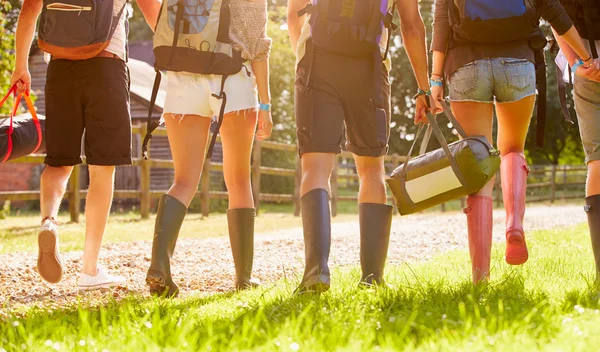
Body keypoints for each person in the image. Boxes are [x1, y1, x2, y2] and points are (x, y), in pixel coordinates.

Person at [431, 0, 599, 283]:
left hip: (465, 65)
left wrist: (435, 79)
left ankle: (480, 276)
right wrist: (584, 59)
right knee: (511, 149)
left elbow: (441, 22)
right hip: (518, 64)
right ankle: (514, 224)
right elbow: (554, 12)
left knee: (478, 161)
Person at [11, 0, 160, 289]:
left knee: (58, 161)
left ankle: (48, 221)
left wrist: (21, 66)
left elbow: (29, 11)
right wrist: (172, 58)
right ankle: (89, 269)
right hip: (107, 69)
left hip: (59, 70)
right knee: (103, 169)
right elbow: (153, 12)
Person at [286, 0, 431, 293]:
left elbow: (293, 15)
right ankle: (372, 278)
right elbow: (412, 24)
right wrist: (424, 88)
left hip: (317, 61)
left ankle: (317, 272)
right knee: (371, 170)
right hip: (370, 67)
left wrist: (303, 56)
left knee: (315, 168)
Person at [145, 0, 273, 297]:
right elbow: (259, 45)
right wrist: (265, 104)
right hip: (233, 80)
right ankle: (244, 278)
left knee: (184, 180)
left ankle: (160, 265)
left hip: (182, 76)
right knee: (239, 180)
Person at [554, 0, 600, 283]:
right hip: (587, 69)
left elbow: (555, 17)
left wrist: (575, 63)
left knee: (597, 159)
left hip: (586, 69)